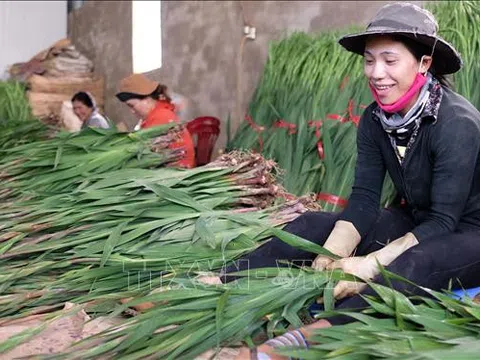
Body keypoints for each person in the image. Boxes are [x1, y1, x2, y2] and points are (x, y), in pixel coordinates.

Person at [228, 3, 480, 359]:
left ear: (424, 64)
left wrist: (367, 264)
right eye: (369, 60)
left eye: (390, 61)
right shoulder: (375, 120)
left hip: (468, 231)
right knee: (314, 223)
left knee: (415, 264)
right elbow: (363, 199)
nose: (376, 73)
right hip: (420, 220)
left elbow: (444, 222)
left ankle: (315, 336)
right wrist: (329, 258)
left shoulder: (456, 123)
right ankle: (219, 282)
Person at [116, 74, 196, 168]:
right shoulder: (159, 113)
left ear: (147, 99)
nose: (132, 111)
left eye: (132, 105)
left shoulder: (161, 117)